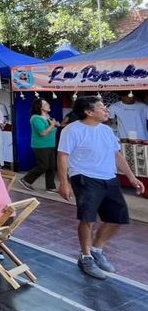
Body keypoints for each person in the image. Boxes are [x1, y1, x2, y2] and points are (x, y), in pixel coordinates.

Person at [57, 96, 145, 279]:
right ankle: (86, 256)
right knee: (87, 218)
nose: (106, 110)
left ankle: (97, 249)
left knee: (117, 217)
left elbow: (117, 155)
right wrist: (64, 183)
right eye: (101, 107)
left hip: (109, 178)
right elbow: (63, 156)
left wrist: (131, 177)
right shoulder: (72, 130)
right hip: (84, 177)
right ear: (89, 112)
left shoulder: (106, 130)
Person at [20, 98, 59, 192]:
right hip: (40, 145)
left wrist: (55, 124)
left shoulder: (48, 117)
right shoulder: (35, 118)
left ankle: (50, 187)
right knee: (43, 166)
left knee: (51, 167)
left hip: (50, 144)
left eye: (47, 103)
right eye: (45, 104)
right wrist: (53, 125)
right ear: (39, 107)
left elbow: (51, 129)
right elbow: (43, 133)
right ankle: (26, 180)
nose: (48, 105)